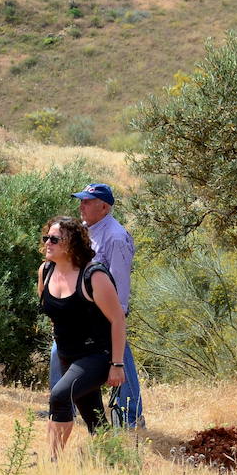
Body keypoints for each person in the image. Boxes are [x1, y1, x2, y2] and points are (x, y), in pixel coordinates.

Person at [48, 183, 144, 429]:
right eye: (81, 201)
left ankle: (131, 416)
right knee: (60, 351)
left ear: (104, 207)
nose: (82, 206)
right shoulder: (85, 230)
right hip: (82, 314)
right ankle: (61, 407)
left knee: (120, 357)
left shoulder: (116, 237)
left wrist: (116, 315)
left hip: (103, 313)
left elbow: (119, 280)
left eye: (87, 202)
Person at [38, 216, 127, 460]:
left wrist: (117, 365)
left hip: (98, 355)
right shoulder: (45, 271)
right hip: (69, 354)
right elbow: (56, 315)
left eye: (55, 239)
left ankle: (52, 462)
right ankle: (113, 461)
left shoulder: (94, 275)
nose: (48, 243)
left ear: (72, 244)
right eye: (47, 238)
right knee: (93, 416)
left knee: (59, 396)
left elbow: (118, 320)